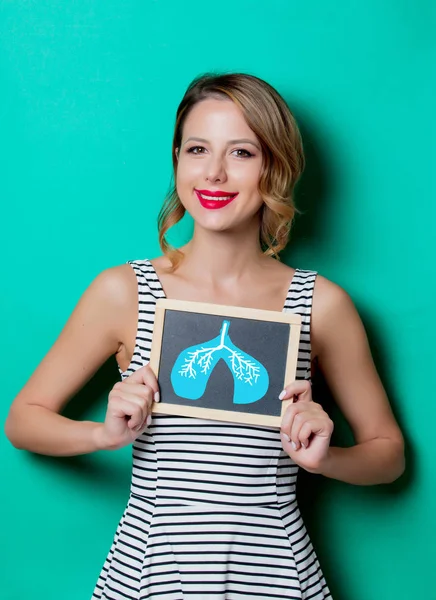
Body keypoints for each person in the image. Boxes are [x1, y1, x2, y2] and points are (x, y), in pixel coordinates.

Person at [5, 72, 405, 599]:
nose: (214, 173)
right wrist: (104, 435)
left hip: (279, 579)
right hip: (149, 575)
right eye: (198, 149)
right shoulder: (125, 291)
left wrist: (324, 457)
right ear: (177, 159)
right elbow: (22, 419)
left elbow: (389, 453)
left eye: (242, 152)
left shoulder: (320, 304)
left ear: (275, 167)